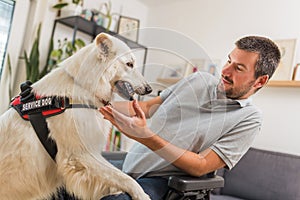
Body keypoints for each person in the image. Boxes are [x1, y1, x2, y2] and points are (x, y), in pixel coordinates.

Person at [99, 35, 281, 200]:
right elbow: (147, 107)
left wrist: (144, 136)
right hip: (131, 163)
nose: (225, 71)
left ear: (260, 81)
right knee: (72, 177)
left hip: (164, 182)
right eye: (229, 61)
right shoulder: (198, 79)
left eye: (238, 68)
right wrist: (91, 103)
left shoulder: (249, 119)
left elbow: (201, 165)